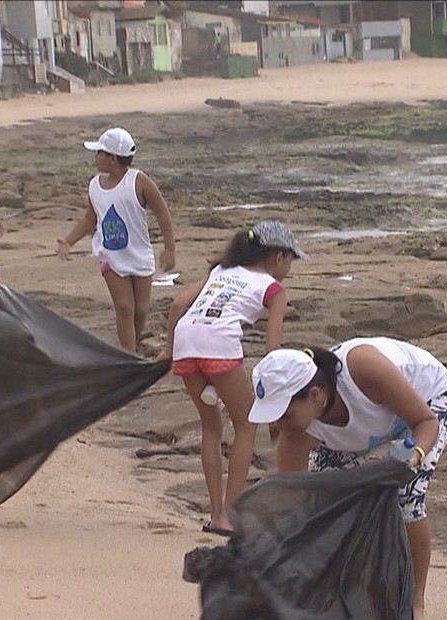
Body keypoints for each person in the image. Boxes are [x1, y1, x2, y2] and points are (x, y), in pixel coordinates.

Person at [249, 338, 447, 620]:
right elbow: (298, 509)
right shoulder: (296, 433)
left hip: (425, 404)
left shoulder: (364, 369)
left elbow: (424, 422)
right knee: (327, 500)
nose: (280, 425)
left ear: (315, 395)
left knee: (406, 497)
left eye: (284, 414)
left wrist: (414, 456)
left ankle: (415, 601)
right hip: (365, 429)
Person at [164, 220, 304, 536]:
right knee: (246, 423)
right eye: (291, 259)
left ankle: (215, 513)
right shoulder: (274, 289)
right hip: (219, 343)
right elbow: (272, 351)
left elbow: (177, 307)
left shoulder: (220, 271)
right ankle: (229, 515)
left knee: (211, 426)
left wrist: (167, 352)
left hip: (187, 338)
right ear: (279, 257)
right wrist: (272, 403)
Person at [57, 127, 177, 353]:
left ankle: (131, 344)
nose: (95, 157)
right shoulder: (95, 186)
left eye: (99, 153)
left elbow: (161, 211)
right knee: (124, 307)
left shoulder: (138, 181)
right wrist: (68, 241)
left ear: (112, 159)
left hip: (139, 254)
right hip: (110, 256)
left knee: (141, 309)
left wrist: (169, 248)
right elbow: (89, 220)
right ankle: (129, 357)